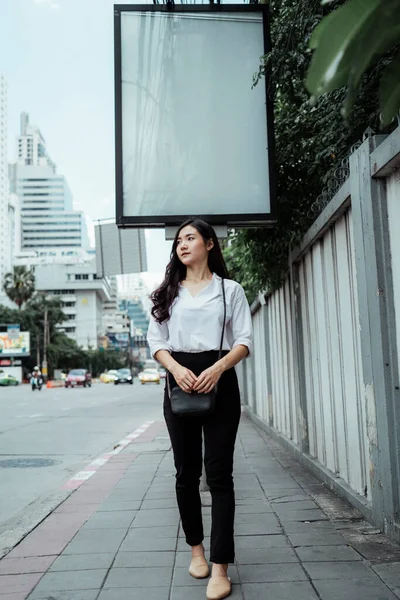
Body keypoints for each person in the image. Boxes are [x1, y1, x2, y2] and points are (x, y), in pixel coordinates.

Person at [147, 219, 253, 600]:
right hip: (179, 382)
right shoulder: (167, 293)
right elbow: (156, 341)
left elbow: (242, 340)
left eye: (190, 238)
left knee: (220, 475)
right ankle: (197, 551)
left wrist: (217, 368)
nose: (182, 244)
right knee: (186, 472)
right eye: (178, 240)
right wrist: (176, 369)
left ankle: (221, 567)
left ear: (210, 243)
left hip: (220, 380)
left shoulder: (230, 290)